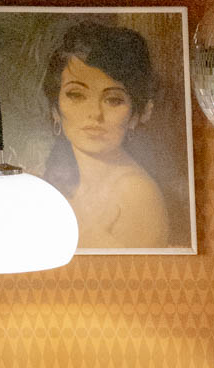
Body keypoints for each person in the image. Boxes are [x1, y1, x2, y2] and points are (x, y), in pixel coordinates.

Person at [42, 21, 170, 249]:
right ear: (55, 109)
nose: (95, 114)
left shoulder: (136, 194)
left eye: (113, 100)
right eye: (76, 95)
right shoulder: (52, 184)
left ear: (136, 114)